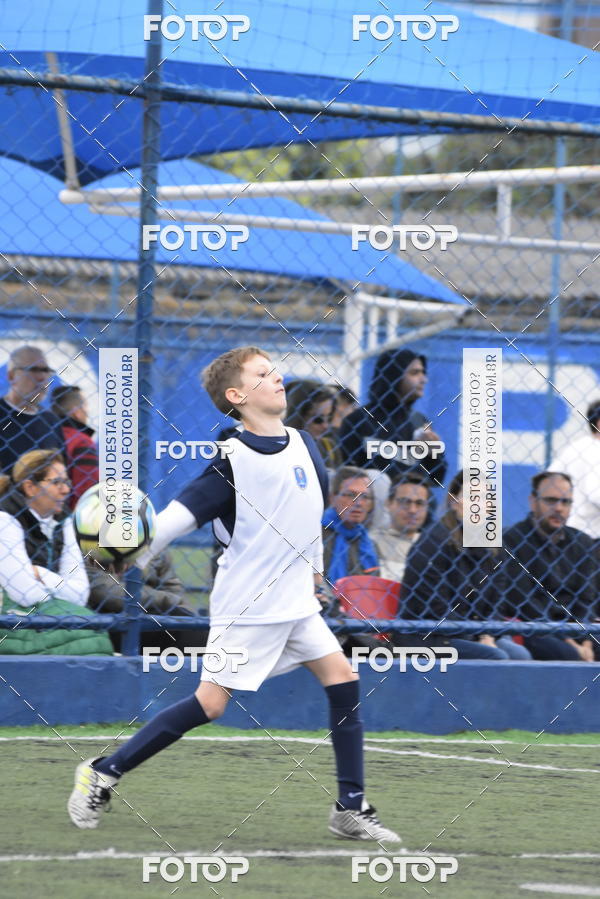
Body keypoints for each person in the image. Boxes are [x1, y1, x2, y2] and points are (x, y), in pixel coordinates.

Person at [68, 345, 400, 843]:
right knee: (210, 705)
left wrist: (314, 574)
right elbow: (177, 518)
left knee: (343, 680)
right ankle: (102, 771)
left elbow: (310, 516)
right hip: (249, 607)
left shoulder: (306, 443)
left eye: (275, 370)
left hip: (297, 603)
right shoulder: (231, 461)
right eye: (263, 374)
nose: (277, 378)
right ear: (236, 396)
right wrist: (130, 550)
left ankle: (350, 808)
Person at [401, 472, 531, 660]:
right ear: (454, 502)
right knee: (496, 656)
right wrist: (476, 635)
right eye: (471, 497)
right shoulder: (434, 542)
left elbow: (497, 604)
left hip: (477, 633)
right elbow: (435, 609)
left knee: (520, 655)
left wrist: (487, 635)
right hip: (430, 635)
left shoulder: (496, 548)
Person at [0, 449, 111, 655]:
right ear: (30, 487)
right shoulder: (5, 519)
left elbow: (80, 594)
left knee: (90, 636)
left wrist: (41, 574)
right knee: (84, 638)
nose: (65, 490)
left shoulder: (64, 521)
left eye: (67, 482)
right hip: (11, 619)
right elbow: (25, 594)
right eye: (57, 482)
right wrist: (60, 587)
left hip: (50, 614)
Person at [500, 471, 598, 662]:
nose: (559, 508)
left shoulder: (582, 542)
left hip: (577, 629)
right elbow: (524, 602)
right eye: (551, 500)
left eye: (566, 502)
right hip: (533, 627)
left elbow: (587, 600)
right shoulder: (511, 540)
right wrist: (570, 643)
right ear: (533, 501)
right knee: (567, 654)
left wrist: (586, 641)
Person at [338, 348, 447, 487]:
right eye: (415, 373)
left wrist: (435, 453)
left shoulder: (420, 421)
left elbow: (437, 480)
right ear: (393, 375)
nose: (424, 379)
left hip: (409, 499)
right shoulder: (358, 420)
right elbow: (346, 474)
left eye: (423, 373)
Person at [85, 551, 209, 653]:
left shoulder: (153, 542)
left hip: (152, 616)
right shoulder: (88, 542)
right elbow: (113, 594)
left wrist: (186, 614)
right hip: (105, 619)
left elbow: (172, 587)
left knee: (188, 626)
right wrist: (168, 600)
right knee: (184, 629)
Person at [0, 346, 64, 473]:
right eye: (33, 369)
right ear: (12, 376)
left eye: (46, 370)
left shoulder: (51, 421)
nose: (42, 377)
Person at [548, 400, 600, 539]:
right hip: (593, 534)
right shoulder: (596, 450)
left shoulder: (576, 446)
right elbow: (596, 494)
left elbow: (548, 479)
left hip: (570, 528)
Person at [322, 467, 380, 584]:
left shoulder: (369, 545)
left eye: (365, 497)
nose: (359, 503)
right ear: (332, 498)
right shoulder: (317, 536)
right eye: (350, 495)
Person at [369, 475, 430, 583]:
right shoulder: (371, 542)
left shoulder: (432, 547)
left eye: (420, 503)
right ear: (388, 503)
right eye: (405, 502)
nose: (412, 510)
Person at [51, 385, 99, 509]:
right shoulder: (82, 442)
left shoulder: (45, 436)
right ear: (76, 412)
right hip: (70, 513)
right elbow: (86, 489)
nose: (87, 412)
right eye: (85, 406)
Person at [284, 378, 340, 470]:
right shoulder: (281, 448)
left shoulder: (329, 447)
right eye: (318, 419)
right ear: (298, 416)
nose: (325, 425)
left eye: (329, 418)